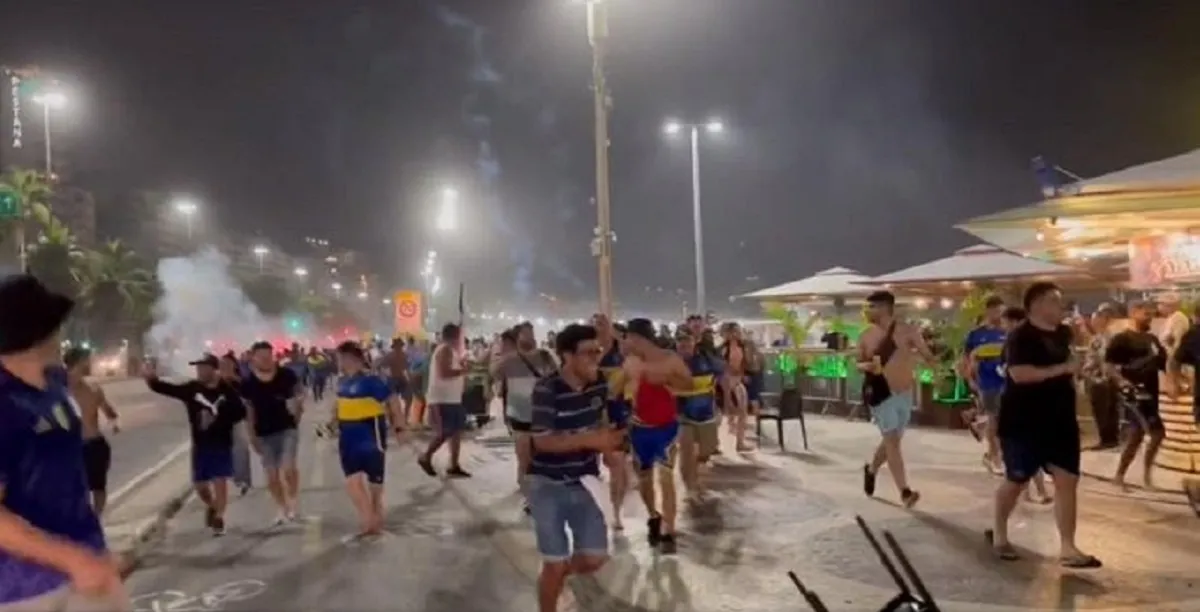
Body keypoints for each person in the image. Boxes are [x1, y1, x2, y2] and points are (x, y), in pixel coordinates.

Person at [0, 275, 127, 610]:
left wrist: (91, 554)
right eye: (54, 325)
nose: (61, 334)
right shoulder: (4, 403)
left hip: (89, 566)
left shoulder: (55, 382)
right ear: (37, 332)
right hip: (27, 591)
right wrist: (71, 559)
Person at [986, 282, 1100, 568]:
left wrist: (1077, 368)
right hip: (1024, 419)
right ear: (1036, 304)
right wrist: (1063, 369)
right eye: (1054, 301)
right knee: (1016, 479)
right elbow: (1020, 374)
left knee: (1067, 480)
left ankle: (1068, 547)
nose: (1060, 307)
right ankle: (1000, 533)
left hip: (1060, 418)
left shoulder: (1063, 333)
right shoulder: (1020, 337)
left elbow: (1070, 361)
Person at [527, 323, 622, 612]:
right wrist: (591, 439)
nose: (595, 357)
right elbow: (543, 442)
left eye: (598, 351)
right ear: (567, 356)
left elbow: (603, 420)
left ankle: (555, 577)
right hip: (547, 485)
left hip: (585, 482)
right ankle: (551, 589)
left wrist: (609, 449)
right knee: (553, 564)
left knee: (595, 558)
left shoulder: (599, 385)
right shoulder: (547, 388)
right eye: (588, 353)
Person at [145, 354, 246, 537]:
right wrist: (151, 379)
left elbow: (240, 412)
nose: (199, 371)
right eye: (198, 368)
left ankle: (219, 519)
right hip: (200, 445)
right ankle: (213, 505)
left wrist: (219, 417)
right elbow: (167, 389)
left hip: (221, 443)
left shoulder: (227, 389)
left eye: (203, 368)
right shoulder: (192, 389)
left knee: (220, 481)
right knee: (200, 486)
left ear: (213, 369)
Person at [857, 290, 935, 508]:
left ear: (884, 308)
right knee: (892, 441)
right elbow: (857, 363)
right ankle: (905, 492)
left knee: (892, 441)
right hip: (881, 394)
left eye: (871, 307)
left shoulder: (908, 331)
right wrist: (867, 366)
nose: (867, 311)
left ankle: (871, 469)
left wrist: (929, 362)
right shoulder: (865, 335)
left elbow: (926, 354)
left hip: (904, 392)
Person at [621, 318, 692, 554]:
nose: (625, 342)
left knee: (666, 477)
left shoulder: (670, 359)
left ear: (637, 338)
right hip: (640, 428)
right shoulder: (630, 362)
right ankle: (653, 516)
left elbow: (689, 383)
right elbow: (616, 389)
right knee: (644, 478)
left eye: (628, 337)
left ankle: (669, 529)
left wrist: (668, 382)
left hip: (666, 427)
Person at [333, 341, 405, 540]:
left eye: (340, 358)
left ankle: (375, 516)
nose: (338, 362)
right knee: (352, 481)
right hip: (347, 437)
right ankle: (368, 518)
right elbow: (338, 405)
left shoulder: (372, 381)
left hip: (371, 436)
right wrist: (332, 423)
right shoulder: (341, 382)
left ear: (351, 359)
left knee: (375, 486)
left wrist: (399, 427)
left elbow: (392, 401)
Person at [491, 322, 557, 513]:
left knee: (543, 458)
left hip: (542, 415)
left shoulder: (545, 357)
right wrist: (500, 354)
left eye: (532, 333)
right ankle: (530, 498)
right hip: (519, 416)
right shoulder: (509, 361)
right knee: (524, 459)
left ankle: (541, 494)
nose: (530, 337)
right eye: (525, 334)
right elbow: (493, 374)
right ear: (518, 338)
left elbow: (557, 377)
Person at [1105, 301, 1167, 491]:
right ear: (1134, 313)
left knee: (1149, 434)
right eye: (1145, 313)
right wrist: (1122, 382)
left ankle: (1140, 475)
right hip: (1133, 395)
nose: (1148, 317)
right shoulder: (1122, 339)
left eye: (1151, 314)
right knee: (1144, 433)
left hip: (1151, 392)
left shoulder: (1152, 340)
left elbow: (1164, 363)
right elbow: (1108, 366)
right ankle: (1124, 476)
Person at [241, 341, 304, 525]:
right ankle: (281, 506)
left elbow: (298, 395)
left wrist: (298, 412)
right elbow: (249, 411)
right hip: (263, 433)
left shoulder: (286, 375)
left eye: (268, 355)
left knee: (288, 467)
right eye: (261, 356)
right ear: (253, 358)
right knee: (271, 475)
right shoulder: (248, 383)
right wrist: (251, 435)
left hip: (287, 428)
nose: (266, 360)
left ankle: (292, 501)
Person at [62, 348, 121, 517]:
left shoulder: (94, 388)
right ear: (77, 363)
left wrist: (114, 421)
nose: (90, 364)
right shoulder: (60, 391)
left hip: (95, 445)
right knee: (76, 488)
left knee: (98, 487)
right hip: (73, 448)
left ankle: (95, 520)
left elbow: (109, 410)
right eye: (87, 361)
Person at [673, 328, 722, 499]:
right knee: (686, 451)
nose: (684, 344)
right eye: (680, 341)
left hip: (706, 413)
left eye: (687, 341)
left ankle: (696, 475)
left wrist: (725, 402)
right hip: (681, 415)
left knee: (707, 450)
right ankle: (690, 487)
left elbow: (723, 375)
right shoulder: (669, 363)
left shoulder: (707, 359)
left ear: (694, 342)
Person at [417, 323, 471, 478]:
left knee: (456, 432)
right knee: (445, 432)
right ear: (455, 336)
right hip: (442, 399)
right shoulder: (445, 350)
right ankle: (425, 456)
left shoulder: (452, 351)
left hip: (453, 399)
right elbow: (444, 373)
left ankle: (454, 465)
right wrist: (463, 370)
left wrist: (462, 367)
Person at [593, 314, 631, 529]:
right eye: (596, 324)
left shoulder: (621, 351)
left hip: (618, 413)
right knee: (592, 468)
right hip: (591, 415)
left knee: (619, 467)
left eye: (603, 324)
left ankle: (616, 511)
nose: (599, 328)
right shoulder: (587, 350)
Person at [963, 295, 1008, 473]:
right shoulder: (976, 335)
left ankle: (994, 452)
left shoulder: (1008, 333)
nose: (999, 314)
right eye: (996, 310)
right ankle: (993, 455)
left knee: (1003, 420)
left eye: (1001, 311)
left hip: (1008, 381)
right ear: (988, 311)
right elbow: (966, 359)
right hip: (987, 382)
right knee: (993, 418)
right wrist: (970, 379)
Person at [1166, 302, 1200, 515]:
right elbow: (1173, 361)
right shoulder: (1195, 336)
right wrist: (1175, 382)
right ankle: (1195, 488)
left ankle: (1195, 488)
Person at [1081, 303, 1121, 450]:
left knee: (1108, 410)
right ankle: (1108, 438)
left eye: (1097, 317)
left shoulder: (1112, 336)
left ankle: (1110, 439)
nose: (1093, 321)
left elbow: (1106, 358)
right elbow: (1093, 358)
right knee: (1103, 410)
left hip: (1107, 378)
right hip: (1099, 378)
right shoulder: (1098, 337)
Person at [218, 352, 253, 495]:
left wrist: (234, 379)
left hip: (238, 420)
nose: (224, 366)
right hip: (220, 422)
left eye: (227, 364)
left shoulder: (241, 380)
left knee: (241, 450)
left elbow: (250, 394)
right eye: (222, 364)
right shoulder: (216, 381)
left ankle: (244, 480)